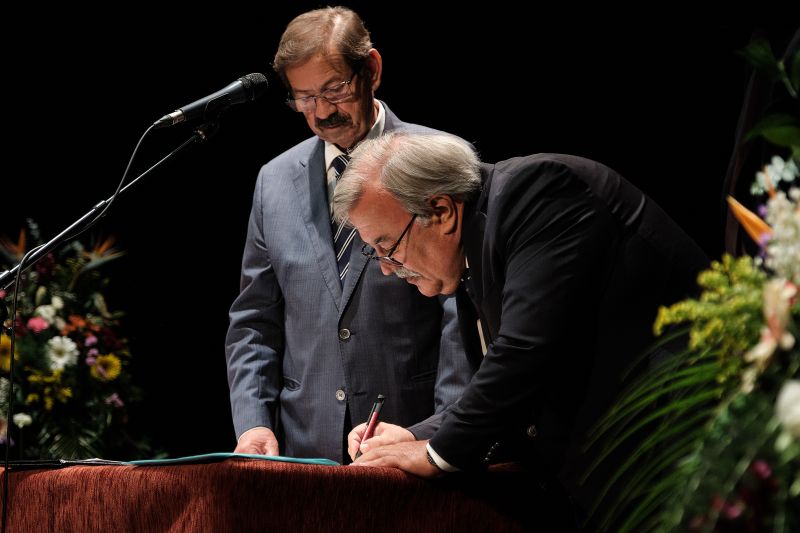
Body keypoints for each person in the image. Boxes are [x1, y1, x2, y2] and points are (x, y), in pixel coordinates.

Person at [333, 132, 709, 524]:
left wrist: (436, 453)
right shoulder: (472, 246)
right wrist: (413, 437)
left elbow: (523, 355)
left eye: (388, 246)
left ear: (441, 211)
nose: (386, 268)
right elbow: (507, 386)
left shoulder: (539, 192)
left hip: (682, 452)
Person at [224, 7, 473, 463]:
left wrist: (443, 430)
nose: (320, 112)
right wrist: (255, 422)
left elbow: (463, 307)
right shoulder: (273, 181)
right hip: (304, 449)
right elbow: (254, 319)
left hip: (409, 438)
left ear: (371, 71)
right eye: (303, 98)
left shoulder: (436, 158)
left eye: (334, 90)